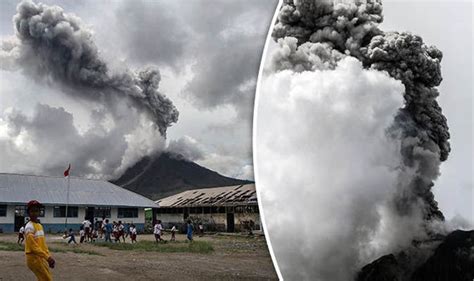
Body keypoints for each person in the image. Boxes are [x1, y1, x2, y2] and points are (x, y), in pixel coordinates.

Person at [24, 200, 55, 281]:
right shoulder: (29, 227)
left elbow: (43, 245)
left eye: (36, 211)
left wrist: (48, 256)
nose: (34, 213)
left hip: (40, 257)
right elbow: (33, 247)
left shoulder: (39, 226)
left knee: (43, 278)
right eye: (32, 211)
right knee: (47, 279)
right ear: (28, 213)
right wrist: (47, 257)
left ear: (39, 212)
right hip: (33, 258)